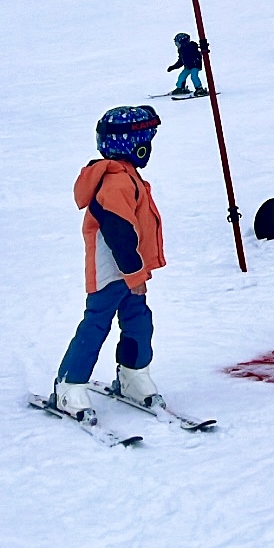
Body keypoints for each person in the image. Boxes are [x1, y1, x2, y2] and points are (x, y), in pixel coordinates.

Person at [49, 106, 167, 422]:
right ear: (135, 145)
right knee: (96, 324)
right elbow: (118, 233)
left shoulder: (125, 176)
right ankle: (69, 384)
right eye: (147, 143)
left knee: (139, 321)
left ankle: (132, 374)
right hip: (111, 270)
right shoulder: (116, 182)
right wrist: (135, 274)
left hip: (128, 268)